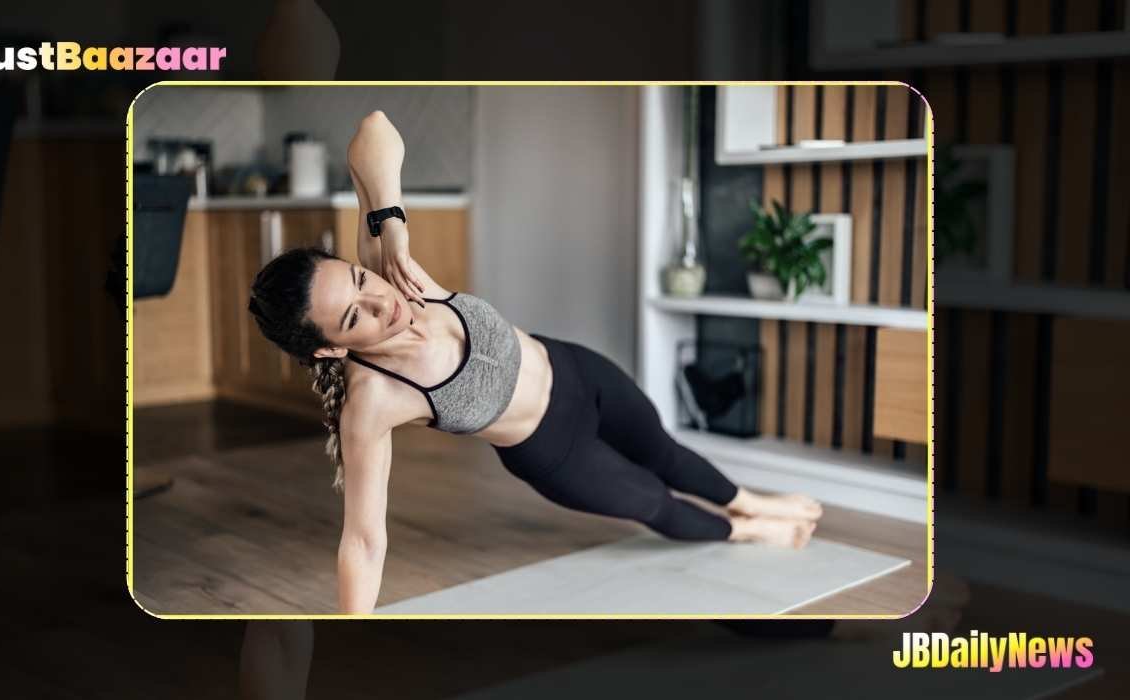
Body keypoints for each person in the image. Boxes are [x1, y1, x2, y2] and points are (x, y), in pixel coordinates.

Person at [246, 111, 824, 615]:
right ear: (330, 348)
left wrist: (392, 228)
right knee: (655, 502)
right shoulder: (374, 399)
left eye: (357, 278)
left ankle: (750, 500)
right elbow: (364, 542)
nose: (379, 301)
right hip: (555, 452)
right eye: (354, 319)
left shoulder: (385, 266)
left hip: (578, 372)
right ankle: (746, 531)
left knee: (667, 454)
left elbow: (375, 130)